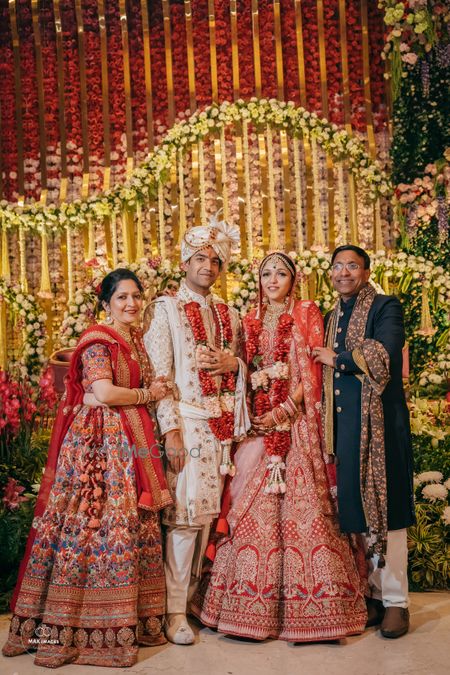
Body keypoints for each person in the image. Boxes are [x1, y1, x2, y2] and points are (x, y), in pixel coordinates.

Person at [191, 252, 367, 641]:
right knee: (249, 509)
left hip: (297, 424)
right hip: (259, 425)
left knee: (306, 508)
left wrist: (285, 409)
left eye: (281, 273)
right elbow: (244, 371)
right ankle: (245, 608)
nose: (272, 280)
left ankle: (317, 609)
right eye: (266, 273)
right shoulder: (248, 318)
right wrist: (256, 411)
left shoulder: (306, 312)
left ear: (293, 280)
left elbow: (314, 368)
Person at [2, 269, 173, 668]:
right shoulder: (98, 340)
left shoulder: (135, 339)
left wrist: (137, 395)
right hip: (98, 446)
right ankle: (69, 626)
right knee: (93, 525)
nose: (131, 303)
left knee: (126, 524)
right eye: (122, 297)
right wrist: (148, 394)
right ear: (106, 303)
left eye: (136, 296)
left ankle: (125, 620)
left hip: (127, 439)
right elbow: (104, 393)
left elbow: (108, 394)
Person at [145, 215, 250, 645]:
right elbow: (159, 375)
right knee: (184, 518)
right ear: (185, 263)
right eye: (200, 259)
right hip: (187, 424)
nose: (208, 266)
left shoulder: (230, 314)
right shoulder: (165, 309)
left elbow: (244, 368)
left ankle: (192, 600)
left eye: (215, 260)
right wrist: (170, 431)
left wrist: (234, 364)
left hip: (223, 432)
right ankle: (173, 613)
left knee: (209, 519)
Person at [313, 245, 415, 639]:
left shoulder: (385, 307)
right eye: (337, 266)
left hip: (381, 429)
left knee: (388, 512)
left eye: (352, 266)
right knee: (357, 514)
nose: (343, 272)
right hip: (347, 431)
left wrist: (336, 359)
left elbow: (383, 352)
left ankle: (396, 602)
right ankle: (373, 596)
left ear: (366, 272)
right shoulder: (331, 316)